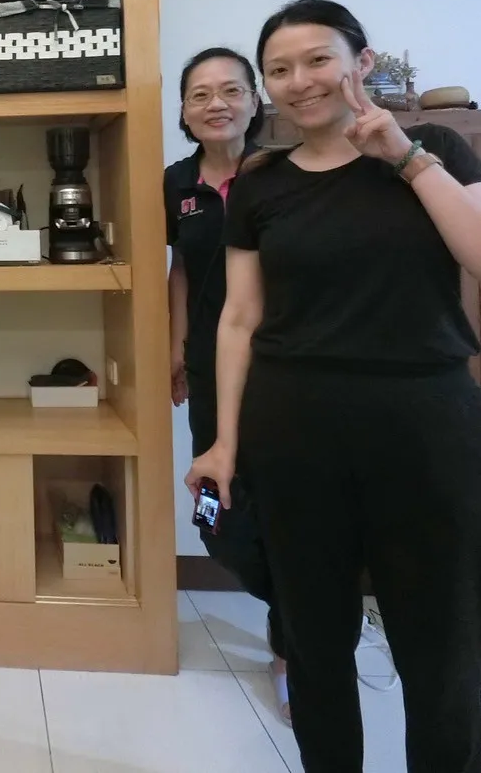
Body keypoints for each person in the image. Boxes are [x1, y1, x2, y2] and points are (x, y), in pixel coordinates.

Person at [187, 0, 481, 773]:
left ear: (361, 62)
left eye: (317, 59)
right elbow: (239, 319)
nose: (300, 81)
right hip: (294, 436)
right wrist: (223, 444)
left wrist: (403, 156)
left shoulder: (434, 148)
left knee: (440, 648)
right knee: (313, 645)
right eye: (279, 69)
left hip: (426, 429)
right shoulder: (260, 184)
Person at [163, 48, 290, 721]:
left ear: (253, 101)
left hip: (284, 367)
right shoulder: (175, 184)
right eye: (200, 94)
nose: (216, 104)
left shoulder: (283, 173)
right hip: (209, 369)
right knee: (217, 515)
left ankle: (292, 646)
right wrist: (174, 350)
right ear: (184, 111)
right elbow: (180, 271)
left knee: (288, 506)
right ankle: (296, 603)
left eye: (231, 91)